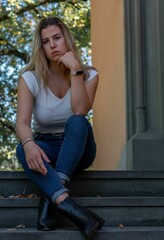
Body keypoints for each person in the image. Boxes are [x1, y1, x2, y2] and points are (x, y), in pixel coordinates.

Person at [15, 16, 104, 240]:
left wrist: (75, 70)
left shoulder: (90, 74)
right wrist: (29, 144)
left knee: (77, 122)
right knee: (22, 148)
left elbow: (80, 110)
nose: (52, 45)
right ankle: (69, 207)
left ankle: (51, 197)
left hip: (79, 149)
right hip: (47, 148)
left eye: (57, 38)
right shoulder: (30, 78)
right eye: (46, 41)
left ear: (67, 40)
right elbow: (22, 124)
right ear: (41, 47)